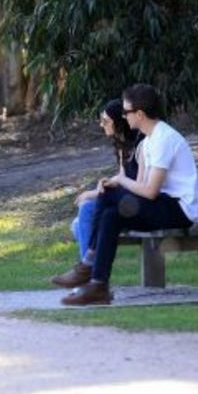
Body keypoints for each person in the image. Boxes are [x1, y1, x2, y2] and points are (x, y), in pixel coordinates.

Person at [57, 84, 198, 305]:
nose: (124, 116)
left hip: (179, 210)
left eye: (126, 112)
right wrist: (118, 186)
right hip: (161, 204)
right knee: (110, 216)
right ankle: (98, 285)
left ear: (140, 114)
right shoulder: (150, 139)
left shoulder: (164, 139)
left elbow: (150, 192)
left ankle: (87, 265)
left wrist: (120, 181)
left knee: (107, 194)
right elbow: (142, 187)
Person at [54, 99, 142, 284]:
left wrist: (94, 193)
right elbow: (123, 179)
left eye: (105, 121)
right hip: (127, 203)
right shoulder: (121, 146)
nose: (102, 125)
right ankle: (91, 275)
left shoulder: (139, 146)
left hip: (138, 207)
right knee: (79, 225)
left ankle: (88, 276)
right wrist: (108, 183)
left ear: (119, 122)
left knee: (85, 212)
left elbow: (134, 184)